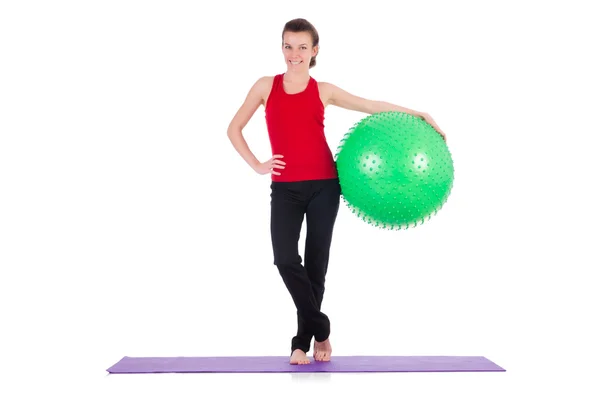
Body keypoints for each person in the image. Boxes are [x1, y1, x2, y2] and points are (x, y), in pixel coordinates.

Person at [227, 18, 446, 365]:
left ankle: (301, 342)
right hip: (284, 189)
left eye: (301, 47)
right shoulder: (265, 86)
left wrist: (418, 113)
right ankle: (322, 329)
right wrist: (257, 164)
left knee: (316, 265)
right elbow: (234, 128)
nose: (293, 54)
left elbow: (370, 106)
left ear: (314, 51)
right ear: (281, 47)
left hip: (324, 187)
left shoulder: (323, 89)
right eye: (288, 46)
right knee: (285, 260)